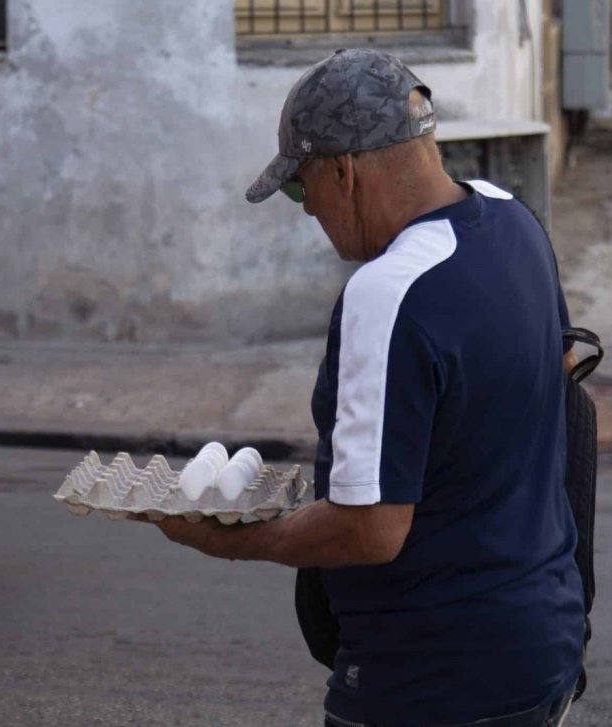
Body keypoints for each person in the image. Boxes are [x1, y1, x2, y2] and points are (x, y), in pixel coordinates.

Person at [138, 49, 585, 726]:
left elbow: (370, 529)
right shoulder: (515, 223)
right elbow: (533, 392)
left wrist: (234, 539)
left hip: (431, 683)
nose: (306, 208)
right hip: (543, 649)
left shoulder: (388, 291)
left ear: (342, 170)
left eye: (299, 187)